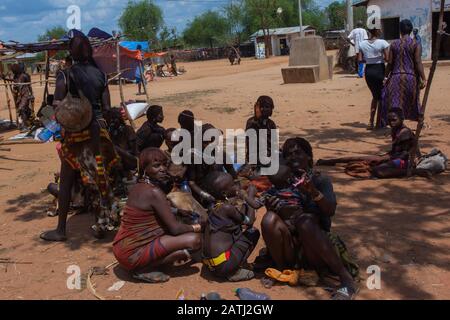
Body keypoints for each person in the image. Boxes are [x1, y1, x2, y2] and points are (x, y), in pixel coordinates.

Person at [40, 33, 121, 242]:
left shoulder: (65, 76)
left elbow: (57, 106)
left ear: (71, 52)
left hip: (76, 136)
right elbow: (106, 109)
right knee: (100, 177)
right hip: (100, 134)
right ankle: (104, 223)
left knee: (66, 181)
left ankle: (61, 231)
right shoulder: (101, 75)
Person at [260, 137, 359, 300]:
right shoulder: (283, 182)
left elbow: (330, 211)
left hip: (317, 247)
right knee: (269, 219)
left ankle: (346, 280)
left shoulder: (320, 180)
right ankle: (285, 271)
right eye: (289, 154)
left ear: (309, 156)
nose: (293, 157)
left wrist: (312, 192)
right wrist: (274, 208)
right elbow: (281, 221)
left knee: (305, 221)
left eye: (298, 152)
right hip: (292, 247)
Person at [113, 148, 202, 283]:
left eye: (164, 165)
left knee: (177, 232)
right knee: (195, 240)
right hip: (132, 254)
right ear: (145, 168)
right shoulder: (154, 192)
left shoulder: (138, 187)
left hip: (122, 248)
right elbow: (175, 229)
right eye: (156, 166)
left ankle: (149, 262)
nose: (162, 169)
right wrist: (199, 226)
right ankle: (143, 269)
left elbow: (149, 210)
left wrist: (177, 211)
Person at [317, 109, 431, 179]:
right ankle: (329, 161)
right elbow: (394, 151)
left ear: (402, 119)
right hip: (395, 156)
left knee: (378, 170)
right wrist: (383, 157)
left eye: (394, 120)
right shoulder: (395, 129)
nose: (391, 123)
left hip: (406, 161)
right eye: (389, 120)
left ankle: (414, 172)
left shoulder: (405, 133)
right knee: (362, 158)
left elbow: (406, 154)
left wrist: (385, 160)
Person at [202, 172, 259, 282]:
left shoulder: (214, 206)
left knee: (237, 230)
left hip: (210, 265)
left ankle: (230, 266)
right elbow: (249, 221)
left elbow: (240, 217)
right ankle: (234, 270)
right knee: (253, 232)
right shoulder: (227, 208)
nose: (237, 186)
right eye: (233, 185)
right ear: (224, 193)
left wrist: (245, 204)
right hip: (222, 266)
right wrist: (250, 196)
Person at [382, 19, 427, 123]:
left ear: (400, 31)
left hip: (395, 78)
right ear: (411, 30)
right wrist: (423, 78)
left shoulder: (394, 44)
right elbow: (417, 62)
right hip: (411, 78)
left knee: (396, 103)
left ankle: (397, 125)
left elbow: (389, 63)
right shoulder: (416, 44)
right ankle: (418, 121)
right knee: (413, 101)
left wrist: (385, 77)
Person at [358, 28, 390, 129]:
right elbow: (387, 58)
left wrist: (368, 59)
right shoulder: (383, 43)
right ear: (376, 32)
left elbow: (359, 60)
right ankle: (379, 122)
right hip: (379, 70)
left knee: (375, 96)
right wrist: (379, 57)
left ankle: (371, 122)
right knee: (381, 97)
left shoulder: (362, 44)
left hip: (369, 72)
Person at [245, 96, 277, 168]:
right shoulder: (251, 122)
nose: (266, 109)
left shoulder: (271, 123)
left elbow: (273, 144)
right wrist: (259, 119)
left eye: (268, 107)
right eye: (263, 107)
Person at [10, 63, 35, 131]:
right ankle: (24, 124)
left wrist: (31, 95)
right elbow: (15, 84)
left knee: (22, 108)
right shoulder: (16, 76)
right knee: (22, 109)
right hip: (20, 96)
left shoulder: (25, 76)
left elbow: (29, 86)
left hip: (26, 95)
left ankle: (25, 125)